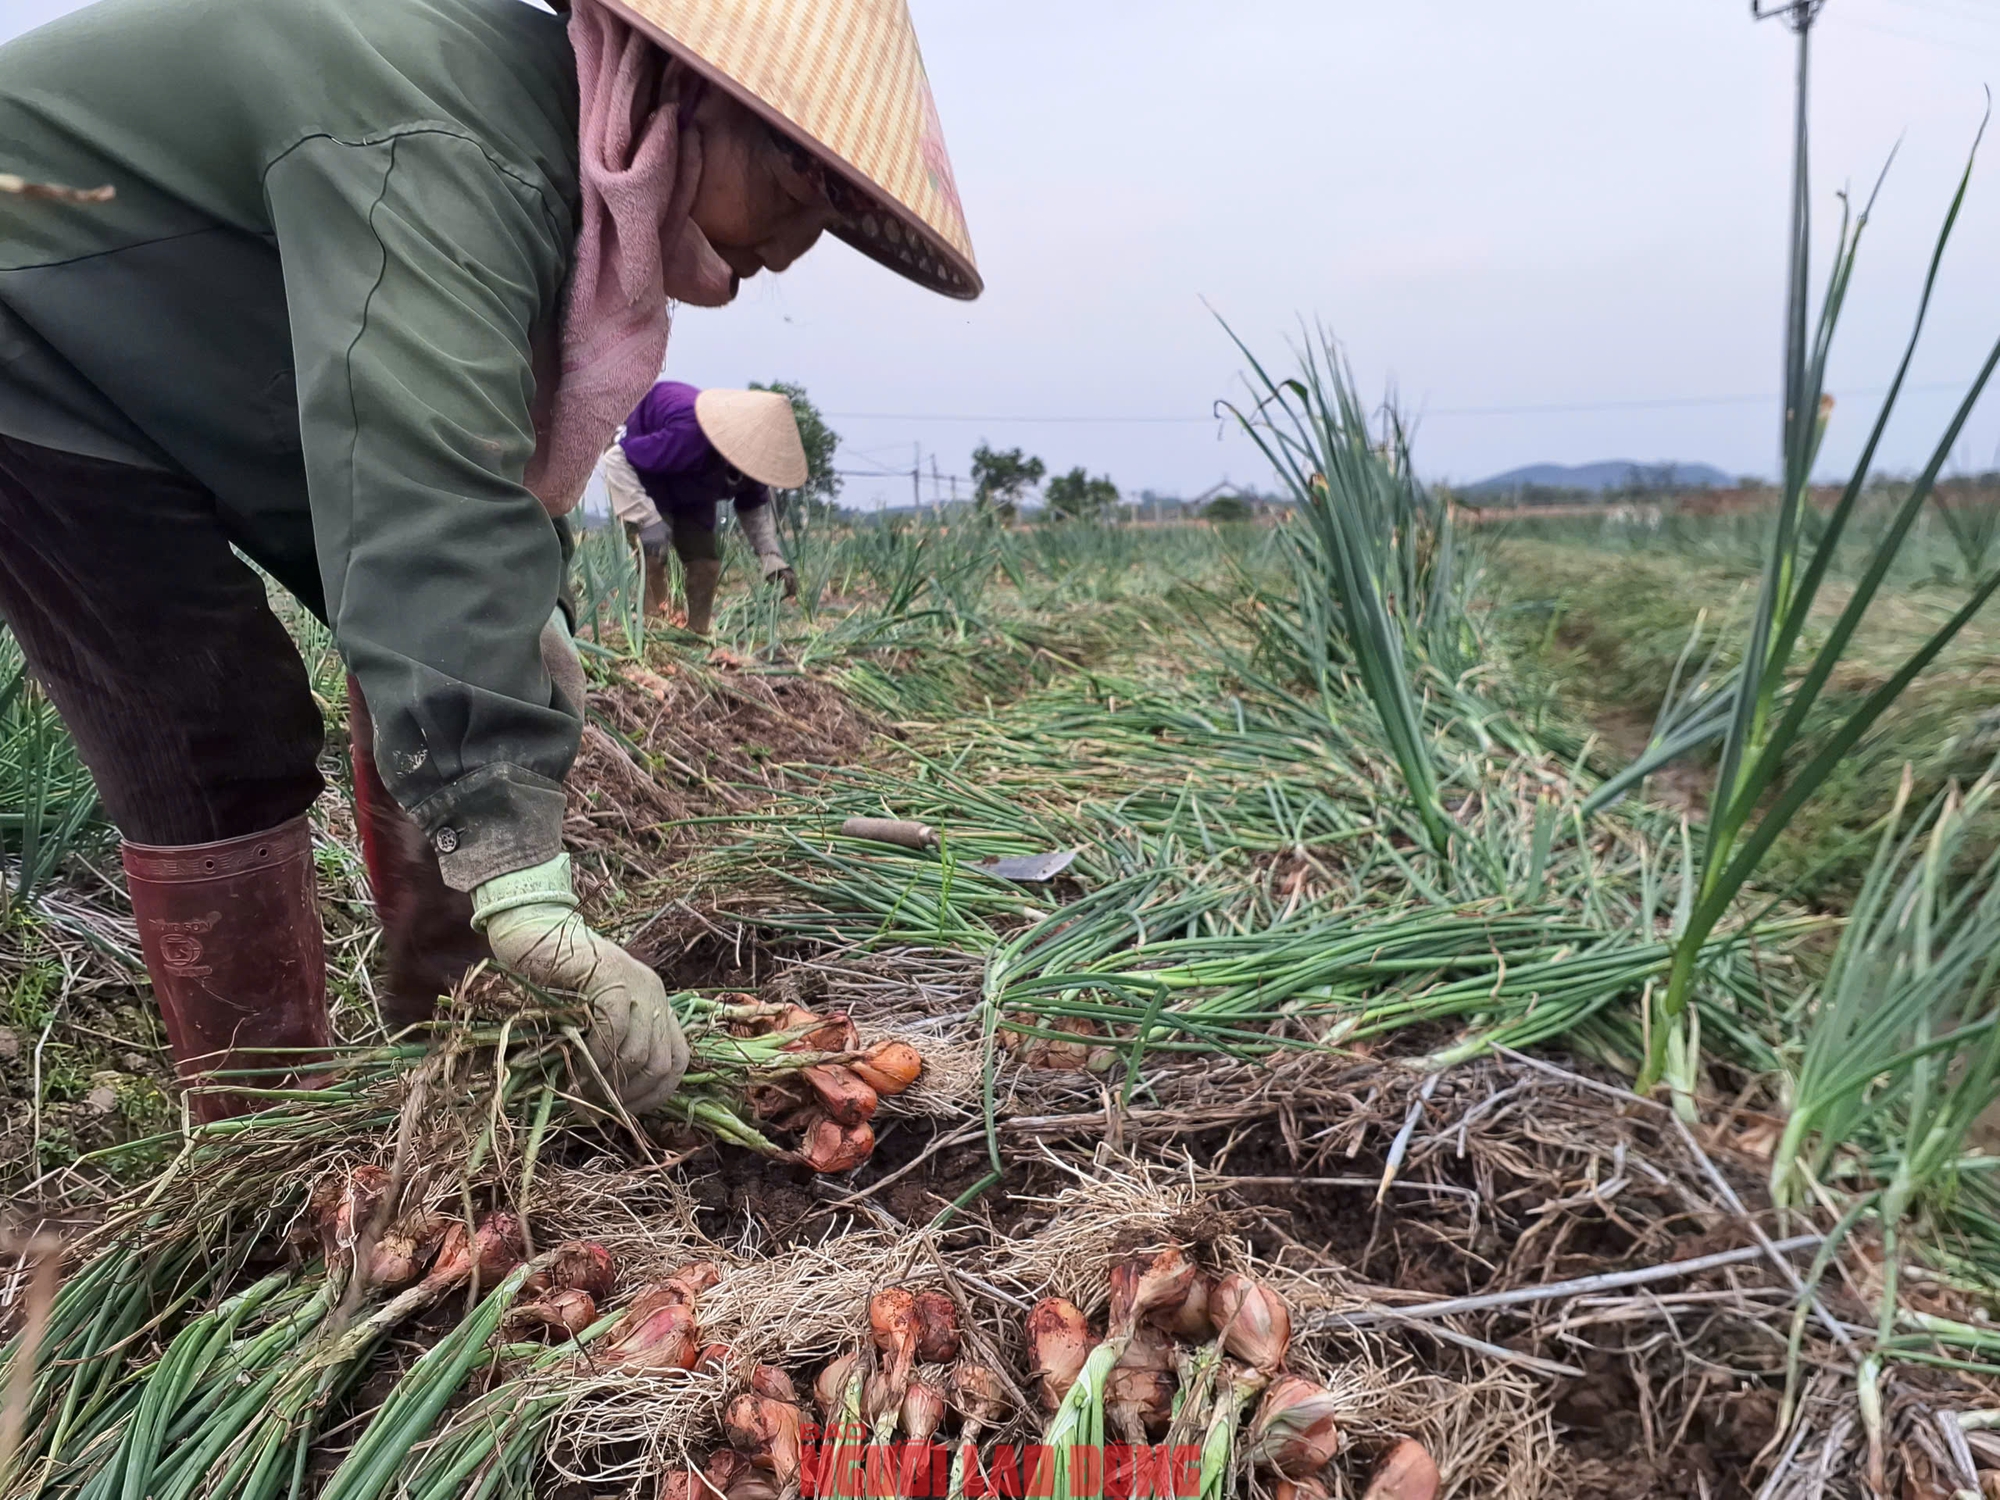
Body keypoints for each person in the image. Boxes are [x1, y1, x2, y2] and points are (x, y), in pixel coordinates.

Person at [0, 0, 978, 1121]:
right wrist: (524, 881)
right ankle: (262, 1131)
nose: (795, 249)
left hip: (173, 326)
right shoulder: (454, 148)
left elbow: (463, 494)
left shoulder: (542, 163)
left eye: (832, 217)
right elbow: (429, 492)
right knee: (211, 721)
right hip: (29, 314)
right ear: (684, 96)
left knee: (486, 628)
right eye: (796, 183)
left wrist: (528, 629)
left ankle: (461, 1034)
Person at [601, 384, 804, 630]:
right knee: (654, 554)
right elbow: (616, 459)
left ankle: (696, 635)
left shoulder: (752, 465)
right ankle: (653, 631)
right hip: (648, 480)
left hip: (695, 492)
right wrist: (647, 520)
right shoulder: (688, 434)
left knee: (706, 565)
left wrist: (772, 557)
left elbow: (753, 509)